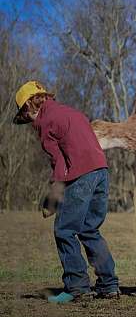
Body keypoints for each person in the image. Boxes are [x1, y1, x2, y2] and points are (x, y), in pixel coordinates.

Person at [13, 81, 120, 303]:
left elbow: (60, 164)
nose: (30, 124)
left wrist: (52, 200)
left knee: (64, 230)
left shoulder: (45, 122)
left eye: (26, 117)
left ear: (29, 107)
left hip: (82, 175)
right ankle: (109, 285)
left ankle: (78, 288)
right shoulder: (70, 112)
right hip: (101, 171)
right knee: (90, 230)